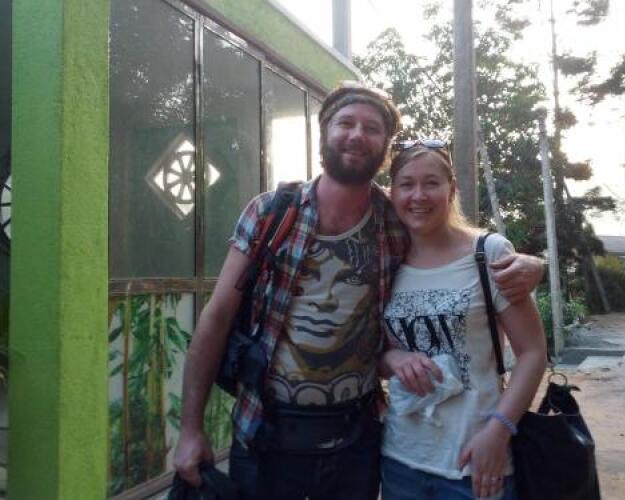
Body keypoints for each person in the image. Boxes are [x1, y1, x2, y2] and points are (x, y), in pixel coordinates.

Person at [173, 83, 545, 500]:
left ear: (384, 148)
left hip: (356, 442)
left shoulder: (394, 220)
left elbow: (448, 238)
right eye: (345, 123)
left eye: (371, 128)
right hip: (266, 434)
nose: (356, 134)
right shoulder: (271, 213)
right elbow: (217, 318)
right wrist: (190, 428)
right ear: (324, 133)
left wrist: (532, 264)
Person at [379, 142, 547, 500]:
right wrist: (393, 358)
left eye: (431, 183)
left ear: (451, 189)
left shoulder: (488, 253)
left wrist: (499, 431)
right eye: (406, 184)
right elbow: (373, 354)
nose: (418, 195)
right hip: (400, 461)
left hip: (476, 462)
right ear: (391, 192)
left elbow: (533, 352)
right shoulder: (385, 262)